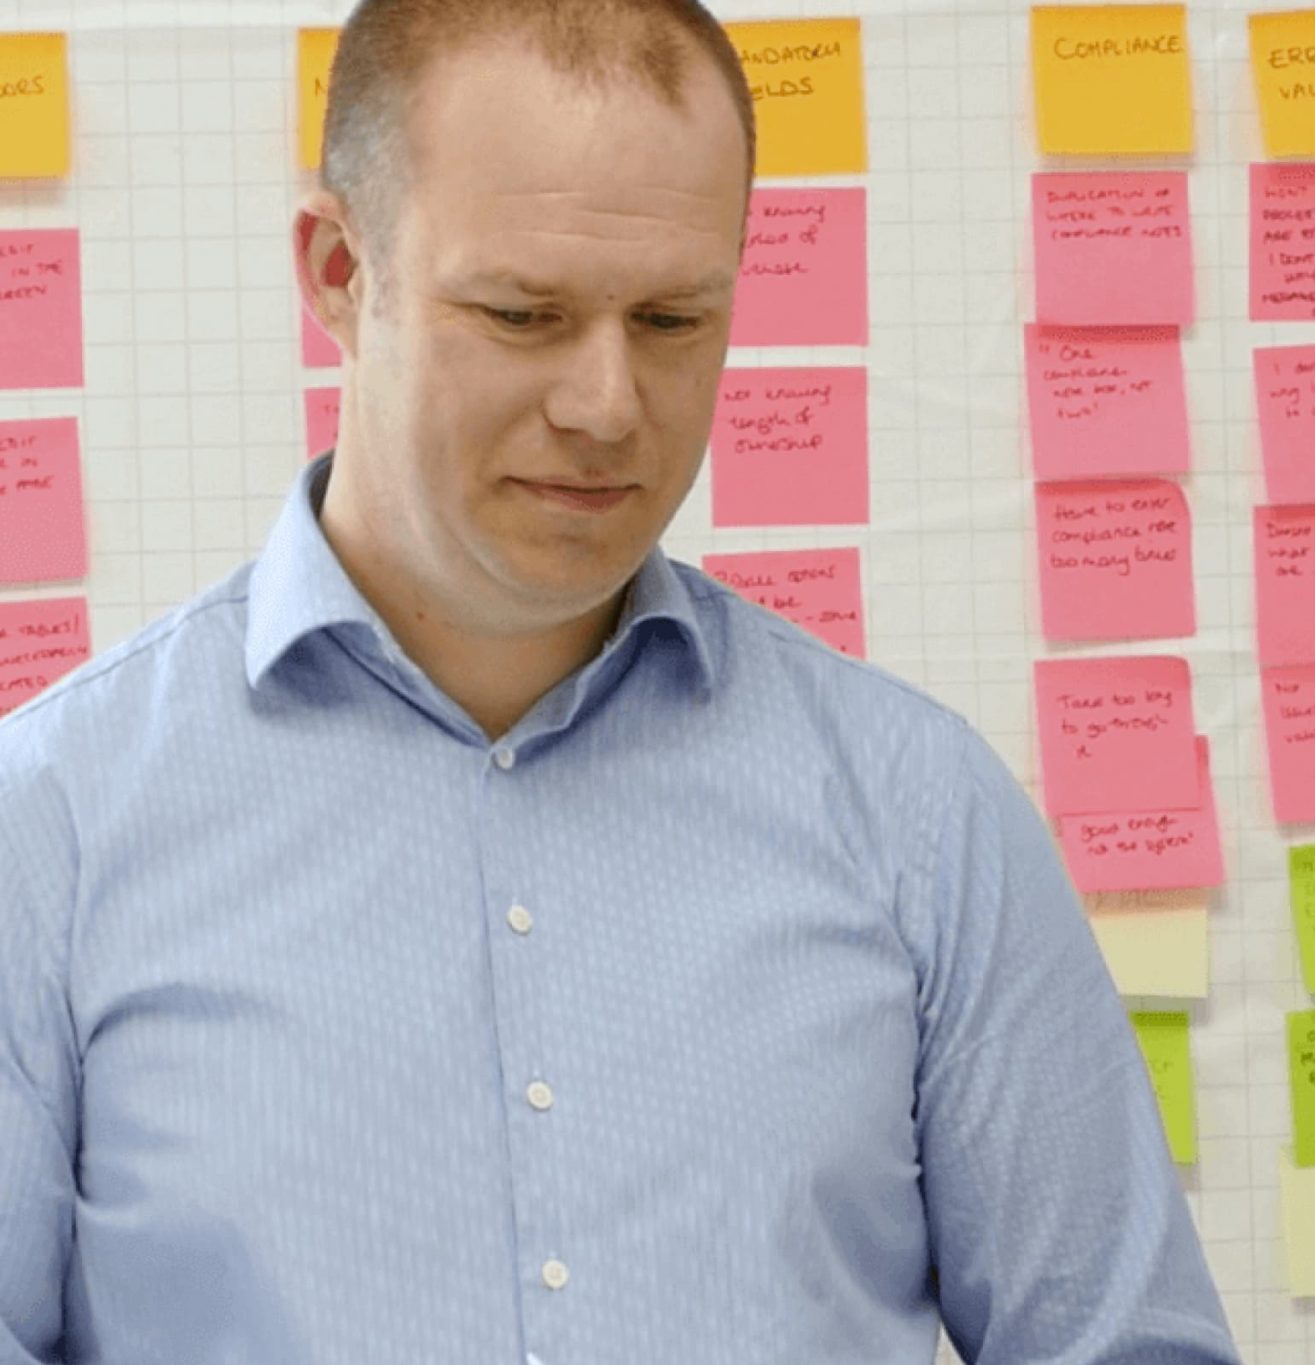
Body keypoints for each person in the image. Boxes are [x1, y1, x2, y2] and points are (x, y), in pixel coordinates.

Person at [0, 3, 1239, 1361]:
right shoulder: (50, 830)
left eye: (671, 318)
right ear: (340, 267)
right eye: (524, 314)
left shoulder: (918, 815)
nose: (606, 404)